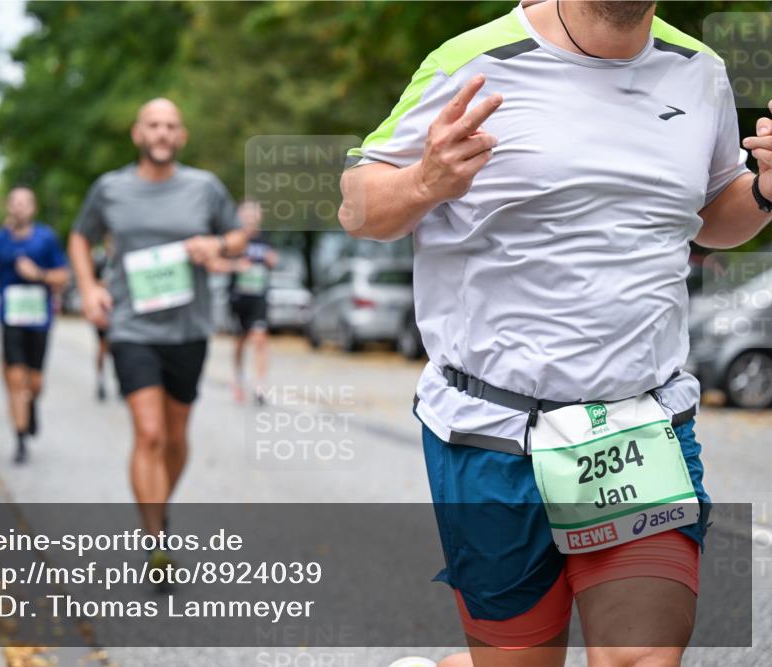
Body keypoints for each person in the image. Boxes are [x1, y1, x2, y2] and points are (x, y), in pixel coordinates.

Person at [341, 1, 772, 666]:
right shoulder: (472, 61)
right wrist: (425, 181)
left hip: (637, 427)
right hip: (492, 431)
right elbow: (358, 207)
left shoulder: (700, 71)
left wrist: (765, 192)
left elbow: (710, 215)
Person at [69, 98, 247, 573]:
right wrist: (88, 286)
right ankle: (156, 540)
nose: (162, 133)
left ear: (181, 136)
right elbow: (81, 236)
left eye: (171, 126)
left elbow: (237, 236)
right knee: (149, 433)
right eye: (154, 125)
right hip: (131, 327)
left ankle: (159, 505)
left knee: (175, 436)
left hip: (188, 328)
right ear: (138, 134)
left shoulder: (204, 187)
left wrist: (216, 243)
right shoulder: (111, 189)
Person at [0, 187, 69, 463]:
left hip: (39, 319)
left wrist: (38, 274)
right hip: (10, 318)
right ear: (8, 207)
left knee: (35, 382)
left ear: (33, 208)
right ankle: (20, 439)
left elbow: (63, 276)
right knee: (15, 379)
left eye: (25, 203)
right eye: (15, 202)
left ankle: (32, 406)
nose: (20, 207)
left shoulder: (46, 238)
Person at [214, 201, 278, 405]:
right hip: (238, 298)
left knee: (260, 338)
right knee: (240, 341)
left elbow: (274, 260)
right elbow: (216, 263)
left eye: (254, 214)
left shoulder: (265, 237)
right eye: (247, 214)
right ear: (240, 216)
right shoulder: (233, 238)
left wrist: (271, 260)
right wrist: (236, 265)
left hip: (259, 296)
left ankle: (260, 385)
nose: (251, 218)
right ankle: (238, 377)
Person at [92, 247, 112, 401]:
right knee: (102, 346)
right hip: (104, 310)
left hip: (121, 310)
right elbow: (91, 282)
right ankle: (100, 380)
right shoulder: (100, 259)